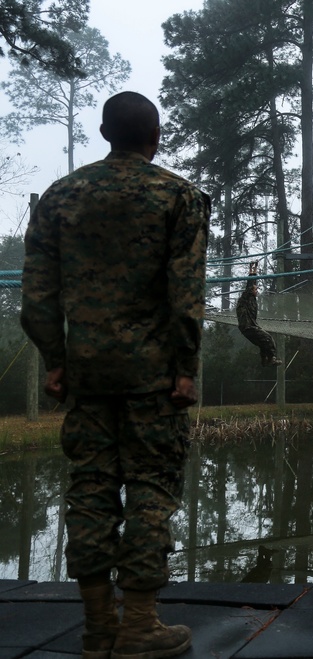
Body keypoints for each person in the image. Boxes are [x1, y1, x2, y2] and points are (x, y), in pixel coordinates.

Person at [19, 91, 209, 659]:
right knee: (151, 490)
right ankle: (140, 627)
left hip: (87, 377)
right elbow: (186, 295)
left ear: (105, 134)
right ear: (155, 137)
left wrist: (56, 359)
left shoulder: (60, 196)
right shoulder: (178, 196)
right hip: (153, 379)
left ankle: (98, 626)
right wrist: (185, 368)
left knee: (90, 491)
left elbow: (36, 295)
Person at [237, 262, 282, 367]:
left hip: (248, 327)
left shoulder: (250, 299)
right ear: (250, 291)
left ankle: (265, 360)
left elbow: (252, 285)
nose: (257, 291)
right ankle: (271, 358)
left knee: (262, 343)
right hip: (248, 326)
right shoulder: (246, 298)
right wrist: (251, 272)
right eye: (256, 290)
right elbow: (250, 286)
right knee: (268, 338)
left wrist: (254, 270)